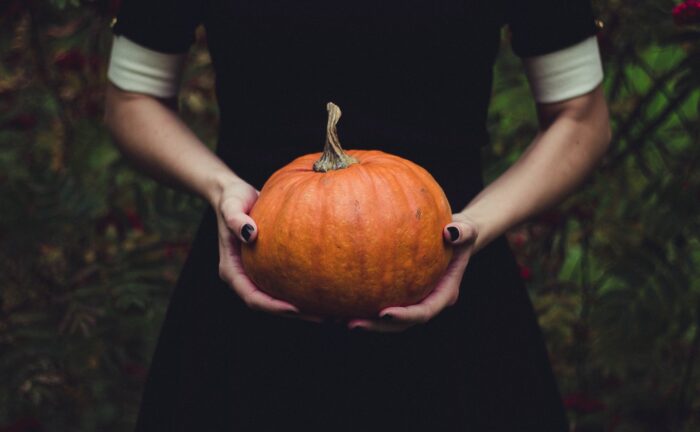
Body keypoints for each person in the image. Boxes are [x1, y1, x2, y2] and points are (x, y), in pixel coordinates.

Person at [103, 0, 611, 430]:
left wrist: (476, 226)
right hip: (253, 266)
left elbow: (581, 116)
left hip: (452, 275)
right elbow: (132, 97)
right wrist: (221, 190)